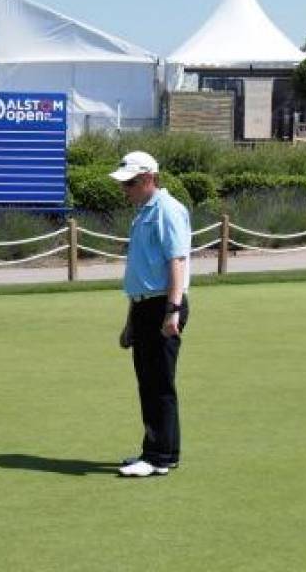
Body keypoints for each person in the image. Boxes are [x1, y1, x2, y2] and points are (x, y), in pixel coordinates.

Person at [110, 151, 191, 478]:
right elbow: (141, 271)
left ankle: (158, 457)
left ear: (147, 179)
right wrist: (131, 320)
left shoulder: (167, 210)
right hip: (145, 306)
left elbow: (177, 261)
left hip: (163, 305)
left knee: (158, 383)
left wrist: (172, 311)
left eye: (129, 183)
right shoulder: (144, 211)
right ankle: (161, 453)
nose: (124, 190)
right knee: (149, 382)